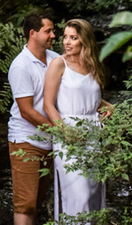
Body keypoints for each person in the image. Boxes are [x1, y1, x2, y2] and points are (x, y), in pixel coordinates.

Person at [43, 18, 113, 221]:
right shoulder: (59, 63)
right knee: (78, 194)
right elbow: (48, 104)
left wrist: (110, 107)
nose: (67, 42)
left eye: (73, 38)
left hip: (94, 133)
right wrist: (66, 133)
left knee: (91, 195)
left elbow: (94, 99)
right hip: (68, 133)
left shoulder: (92, 66)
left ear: (85, 40)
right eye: (65, 37)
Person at [8, 11, 59, 225]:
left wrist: (101, 104)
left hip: (49, 141)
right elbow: (27, 111)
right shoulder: (21, 66)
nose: (54, 35)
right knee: (25, 204)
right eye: (48, 31)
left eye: (53, 31)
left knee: (37, 202)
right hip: (25, 142)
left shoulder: (56, 60)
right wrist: (59, 132)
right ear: (33, 33)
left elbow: (76, 89)